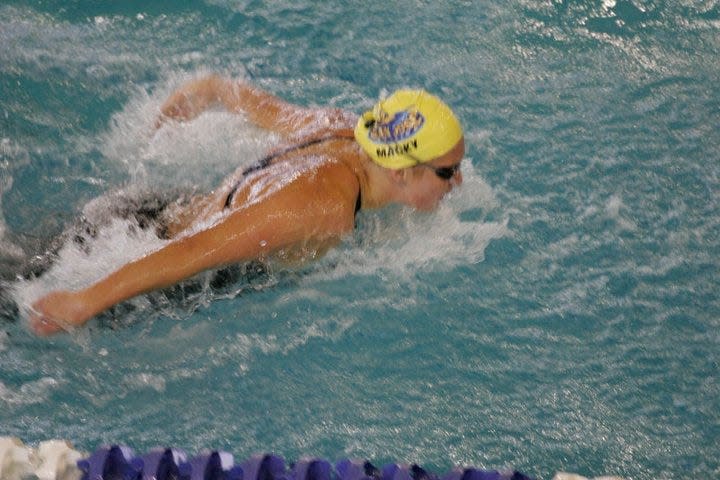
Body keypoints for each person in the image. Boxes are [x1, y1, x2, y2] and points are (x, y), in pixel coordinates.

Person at [28, 74, 465, 335]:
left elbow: (251, 102)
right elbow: (197, 251)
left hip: (147, 212)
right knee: (18, 295)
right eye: (447, 172)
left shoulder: (341, 127)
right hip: (139, 262)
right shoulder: (322, 206)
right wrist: (84, 302)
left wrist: (211, 88)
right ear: (402, 171)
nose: (458, 182)